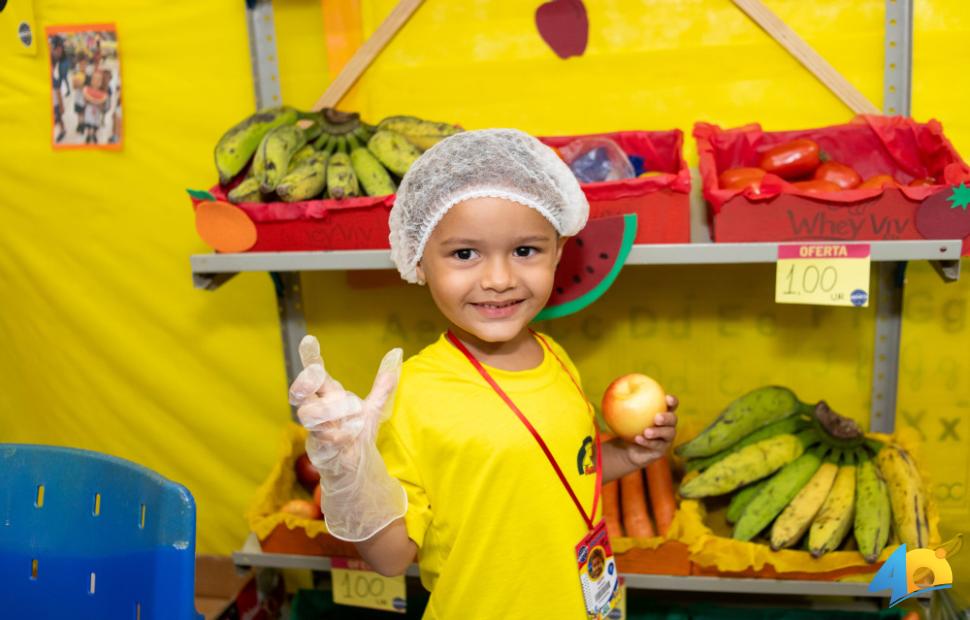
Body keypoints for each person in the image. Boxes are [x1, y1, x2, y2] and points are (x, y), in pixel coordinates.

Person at [289, 129, 678, 619]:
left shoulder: (554, 355)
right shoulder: (412, 393)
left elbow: (562, 471)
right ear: (419, 261)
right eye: (464, 254)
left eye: (525, 251)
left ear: (558, 250)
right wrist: (349, 471)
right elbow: (390, 558)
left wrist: (628, 453)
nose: (498, 279)